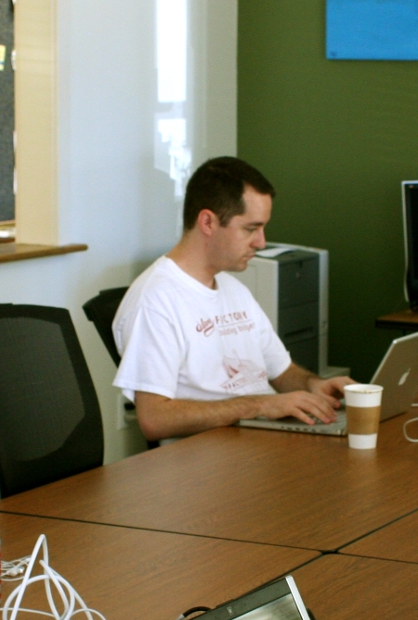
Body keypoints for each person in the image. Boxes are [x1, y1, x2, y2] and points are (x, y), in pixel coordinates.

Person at [113, 156, 352, 441]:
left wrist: (314, 385)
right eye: (250, 229)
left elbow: (282, 371)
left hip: (259, 447)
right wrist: (260, 404)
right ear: (208, 222)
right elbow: (155, 419)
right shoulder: (155, 300)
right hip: (206, 466)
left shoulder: (233, 289)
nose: (261, 242)